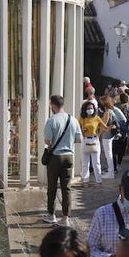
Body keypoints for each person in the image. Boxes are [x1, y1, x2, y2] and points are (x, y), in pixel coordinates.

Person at [43, 95, 83, 226]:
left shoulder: (51, 121)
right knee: (66, 188)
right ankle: (66, 218)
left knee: (52, 187)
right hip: (69, 157)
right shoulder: (73, 119)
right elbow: (79, 139)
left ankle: (51, 215)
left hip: (55, 157)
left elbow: (48, 141)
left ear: (53, 105)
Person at [79, 101, 106, 186]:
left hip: (94, 140)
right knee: (85, 163)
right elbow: (78, 129)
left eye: (91, 108)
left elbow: (104, 127)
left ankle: (98, 180)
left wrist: (99, 134)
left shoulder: (97, 118)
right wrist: (82, 131)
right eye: (88, 108)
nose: (90, 110)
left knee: (96, 162)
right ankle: (85, 181)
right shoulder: (82, 119)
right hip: (85, 140)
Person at [98, 96, 126, 179]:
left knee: (108, 154)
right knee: (109, 153)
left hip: (107, 135)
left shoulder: (107, 112)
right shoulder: (111, 111)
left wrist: (99, 135)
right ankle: (111, 171)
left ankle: (110, 172)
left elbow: (104, 126)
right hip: (110, 134)